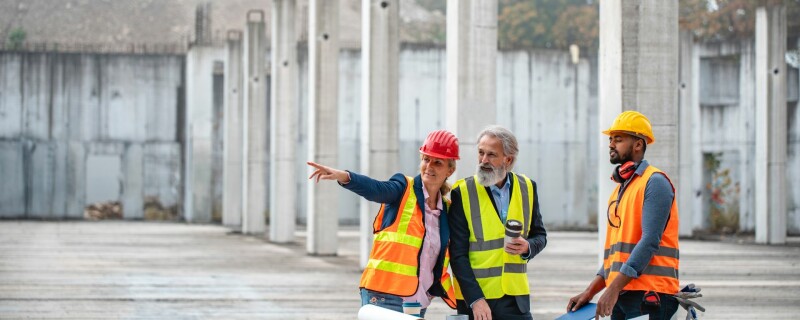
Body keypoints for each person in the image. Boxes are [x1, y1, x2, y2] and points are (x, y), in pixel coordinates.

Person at [307, 130, 459, 317]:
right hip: (384, 295)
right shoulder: (403, 188)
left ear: (450, 170)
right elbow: (377, 189)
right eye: (426, 159)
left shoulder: (447, 210)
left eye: (437, 162)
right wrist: (345, 177)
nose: (429, 166)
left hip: (418, 300)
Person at [566, 111, 680, 319]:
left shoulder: (655, 182)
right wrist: (591, 291)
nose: (611, 144)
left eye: (618, 139)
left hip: (650, 297)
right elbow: (615, 257)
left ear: (638, 144)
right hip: (624, 295)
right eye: (610, 139)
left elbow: (649, 242)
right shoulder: (620, 190)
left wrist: (613, 289)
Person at [448, 125, 547, 320]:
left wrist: (528, 246)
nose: (483, 160)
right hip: (477, 301)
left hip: (516, 299)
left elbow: (540, 235)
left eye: (491, 155)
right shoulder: (462, 192)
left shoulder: (527, 187)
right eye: (481, 153)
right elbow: (457, 255)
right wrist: (475, 300)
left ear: (508, 159)